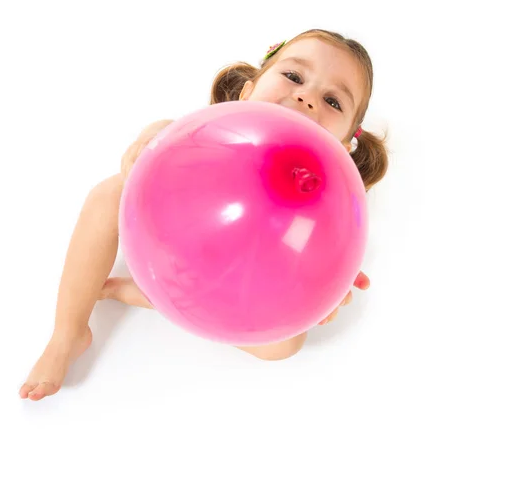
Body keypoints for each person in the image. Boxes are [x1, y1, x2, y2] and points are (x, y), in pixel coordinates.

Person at [19, 28, 389, 401]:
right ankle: (68, 333)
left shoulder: (329, 196)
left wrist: (328, 286)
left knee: (284, 345)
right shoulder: (214, 136)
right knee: (109, 194)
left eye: (333, 101)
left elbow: (326, 249)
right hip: (173, 242)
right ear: (248, 91)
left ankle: (155, 296)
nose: (307, 97)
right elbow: (166, 132)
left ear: (343, 144)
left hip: (238, 281)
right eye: (293, 76)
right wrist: (148, 142)